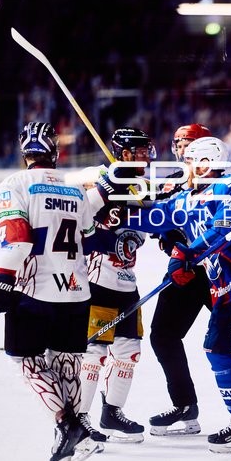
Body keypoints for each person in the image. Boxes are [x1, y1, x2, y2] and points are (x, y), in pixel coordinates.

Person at [126, 137, 231, 461]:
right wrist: (119, 214)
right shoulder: (187, 199)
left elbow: (220, 230)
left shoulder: (230, 187)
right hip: (225, 290)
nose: (189, 168)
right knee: (217, 351)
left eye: (193, 161)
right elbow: (156, 217)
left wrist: (187, 251)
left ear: (207, 162)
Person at [0, 122, 108, 461]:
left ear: (25, 154)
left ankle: (67, 424)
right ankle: (76, 437)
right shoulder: (76, 190)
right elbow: (92, 240)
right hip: (77, 292)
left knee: (28, 362)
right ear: (54, 151)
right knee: (67, 365)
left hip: (36, 292)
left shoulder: (15, 183)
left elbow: (17, 239)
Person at [78, 128, 155, 443]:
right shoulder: (96, 176)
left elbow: (148, 227)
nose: (146, 157)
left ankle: (112, 412)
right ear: (123, 153)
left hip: (126, 283)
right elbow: (80, 215)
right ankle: (79, 417)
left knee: (129, 351)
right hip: (98, 282)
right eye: (139, 151)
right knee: (94, 351)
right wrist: (105, 187)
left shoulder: (142, 186)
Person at [147, 123, 213, 436]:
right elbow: (163, 231)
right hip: (184, 271)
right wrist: (171, 245)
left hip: (218, 269)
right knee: (162, 334)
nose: (183, 149)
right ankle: (185, 405)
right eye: (180, 143)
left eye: (189, 142)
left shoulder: (220, 179)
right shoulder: (171, 184)